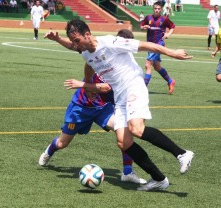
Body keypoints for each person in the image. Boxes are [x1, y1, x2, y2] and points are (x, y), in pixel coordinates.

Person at [44, 19, 194, 191]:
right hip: (120, 95)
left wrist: (172, 52)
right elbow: (84, 59)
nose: (75, 45)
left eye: (77, 40)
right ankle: (159, 179)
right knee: (124, 142)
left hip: (133, 85)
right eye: (73, 41)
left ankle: (182, 153)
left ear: (87, 34)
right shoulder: (85, 50)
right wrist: (58, 41)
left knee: (136, 129)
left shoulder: (110, 42)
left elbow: (145, 45)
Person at [39, 29, 146, 185]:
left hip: (103, 108)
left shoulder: (124, 67)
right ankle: (49, 151)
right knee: (62, 143)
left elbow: (107, 88)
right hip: (81, 107)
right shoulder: (101, 52)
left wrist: (84, 84)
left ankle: (128, 172)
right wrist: (58, 39)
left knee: (124, 133)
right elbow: (76, 46)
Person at [140, 1, 176, 94]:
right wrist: (144, 27)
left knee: (148, 65)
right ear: (153, 8)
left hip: (159, 44)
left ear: (161, 9)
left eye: (158, 9)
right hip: (150, 45)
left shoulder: (164, 19)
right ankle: (170, 81)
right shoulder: (148, 17)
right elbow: (141, 25)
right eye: (155, 8)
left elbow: (172, 26)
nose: (157, 10)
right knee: (157, 66)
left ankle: (142, 89)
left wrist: (168, 34)